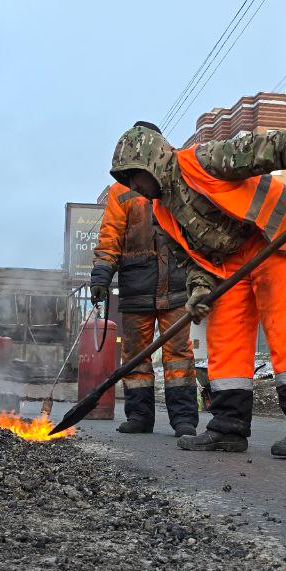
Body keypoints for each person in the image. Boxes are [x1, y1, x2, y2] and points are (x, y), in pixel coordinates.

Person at [108, 122, 286, 456]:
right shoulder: (162, 211)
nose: (134, 187)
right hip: (229, 264)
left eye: (134, 176)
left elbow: (282, 143)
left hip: (269, 239)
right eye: (126, 180)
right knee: (225, 341)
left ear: (153, 161)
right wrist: (199, 290)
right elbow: (191, 258)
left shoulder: (207, 160)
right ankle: (228, 428)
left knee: (284, 331)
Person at [90, 164, 200, 437]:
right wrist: (101, 277)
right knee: (136, 355)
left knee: (178, 355)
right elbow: (110, 237)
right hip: (137, 287)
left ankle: (184, 419)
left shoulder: (178, 180)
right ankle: (140, 416)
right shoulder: (121, 191)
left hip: (175, 285)